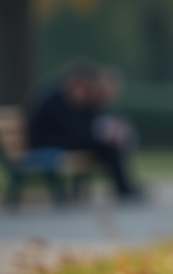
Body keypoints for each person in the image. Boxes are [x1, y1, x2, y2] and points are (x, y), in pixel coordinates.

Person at [27, 60, 143, 202]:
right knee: (105, 146)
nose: (85, 93)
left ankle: (124, 187)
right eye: (84, 88)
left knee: (109, 147)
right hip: (47, 144)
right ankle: (123, 189)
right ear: (74, 84)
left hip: (64, 141)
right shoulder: (54, 101)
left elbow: (88, 125)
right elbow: (76, 131)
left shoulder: (76, 100)